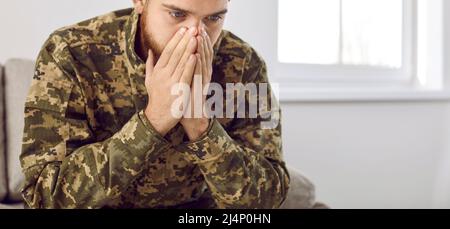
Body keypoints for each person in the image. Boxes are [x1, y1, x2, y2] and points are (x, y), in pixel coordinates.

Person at [20, 0, 289, 209]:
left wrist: (200, 125)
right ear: (140, 1)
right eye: (177, 14)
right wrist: (153, 122)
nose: (195, 34)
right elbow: (44, 196)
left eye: (213, 18)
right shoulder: (71, 52)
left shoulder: (246, 64)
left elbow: (269, 197)